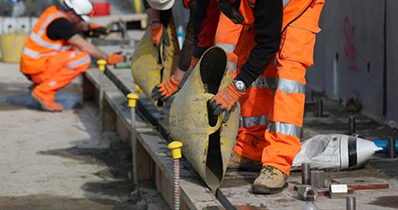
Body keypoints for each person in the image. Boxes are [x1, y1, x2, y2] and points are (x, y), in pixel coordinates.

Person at [193, 0, 324, 194]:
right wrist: (195, 60)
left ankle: (278, 162)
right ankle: (251, 148)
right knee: (248, 57)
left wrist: (236, 88)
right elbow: (206, 18)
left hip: (298, 7)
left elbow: (268, 43)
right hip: (264, 8)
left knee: (288, 76)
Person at [20, 0, 125, 112]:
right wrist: (107, 58)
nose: (81, 21)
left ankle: (39, 86)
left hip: (33, 64)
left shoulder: (53, 12)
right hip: (38, 68)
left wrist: (89, 28)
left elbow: (70, 27)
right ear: (72, 13)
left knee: (72, 50)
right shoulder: (60, 23)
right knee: (82, 59)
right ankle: (44, 92)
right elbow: (85, 46)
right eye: (80, 18)